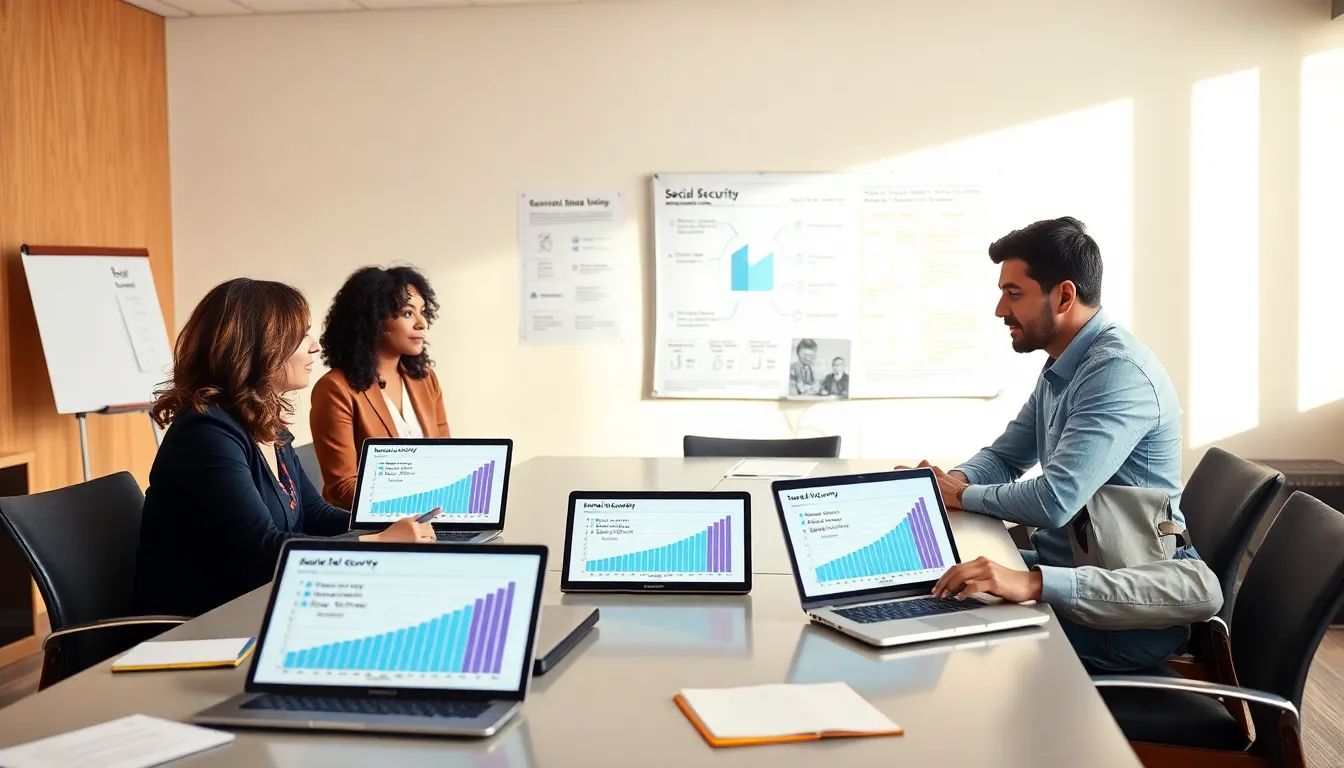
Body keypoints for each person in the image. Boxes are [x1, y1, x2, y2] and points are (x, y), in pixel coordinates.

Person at [906, 216, 1198, 673]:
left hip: (1121, 616)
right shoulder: (1064, 365)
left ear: (1063, 296)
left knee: (944, 639)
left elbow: (1055, 499)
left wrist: (959, 496)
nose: (1000, 310)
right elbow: (1005, 456)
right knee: (925, 582)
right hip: (1073, 571)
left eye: (1014, 294)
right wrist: (950, 481)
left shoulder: (1117, 372)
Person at [135, 278, 435, 618]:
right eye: (300, 336)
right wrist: (379, 542)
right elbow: (264, 549)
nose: (314, 347)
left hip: (264, 603)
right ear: (257, 347)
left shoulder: (263, 422)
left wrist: (387, 523)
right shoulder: (206, 433)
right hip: (202, 625)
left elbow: (314, 514)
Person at [310, 266, 450, 509]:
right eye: (408, 313)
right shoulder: (334, 389)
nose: (422, 323)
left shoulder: (425, 379)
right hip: (370, 529)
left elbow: (446, 458)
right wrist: (418, 503)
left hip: (429, 517)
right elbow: (343, 487)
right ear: (373, 321)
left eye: (423, 312)